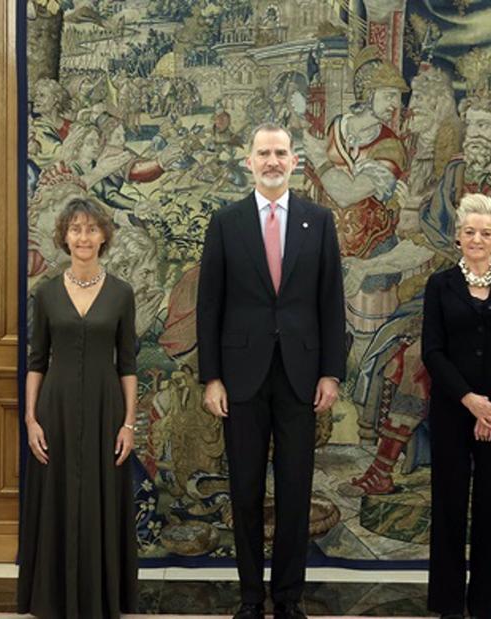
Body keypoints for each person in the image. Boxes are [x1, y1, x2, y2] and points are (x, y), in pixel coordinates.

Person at [196, 123, 345, 619]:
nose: (273, 161)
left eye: (281, 152)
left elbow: (330, 302)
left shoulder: (318, 221)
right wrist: (211, 377)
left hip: (301, 376)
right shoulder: (226, 221)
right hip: (240, 376)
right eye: (264, 153)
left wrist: (331, 373)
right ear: (249, 161)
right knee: (244, 489)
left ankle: (287, 597)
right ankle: (250, 597)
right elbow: (209, 304)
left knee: (296, 489)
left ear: (295, 160)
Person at [17, 197, 139, 618]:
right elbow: (36, 361)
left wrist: (129, 423)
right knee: (57, 498)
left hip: (107, 410)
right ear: (64, 237)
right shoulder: (46, 293)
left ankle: (103, 597)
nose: (83, 237)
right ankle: (51, 597)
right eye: (75, 229)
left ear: (103, 236)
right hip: (57, 408)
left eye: (90, 229)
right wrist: (31, 419)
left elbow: (127, 364)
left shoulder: (122, 293)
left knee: (101, 497)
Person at [422, 193, 491, 619]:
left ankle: (485, 603)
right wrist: (470, 402)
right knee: (449, 505)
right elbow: (432, 351)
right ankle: (448, 602)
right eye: (469, 231)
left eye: (485, 233)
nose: (477, 238)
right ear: (458, 237)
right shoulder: (440, 285)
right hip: (453, 412)